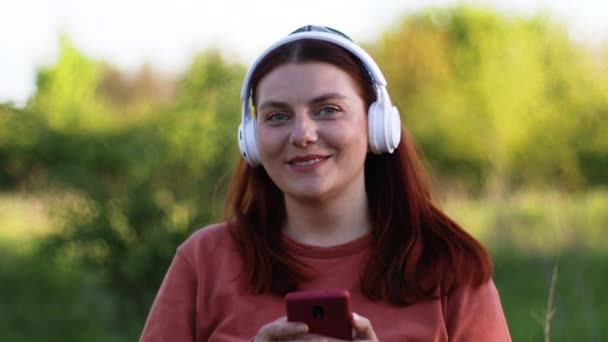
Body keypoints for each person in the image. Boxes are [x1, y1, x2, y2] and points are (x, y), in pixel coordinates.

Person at [140, 25, 511, 341]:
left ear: (378, 125)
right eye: (278, 115)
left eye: (328, 110)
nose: (302, 134)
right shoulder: (203, 262)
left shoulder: (449, 266)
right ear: (250, 139)